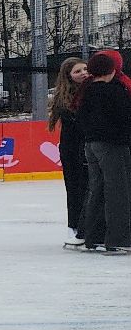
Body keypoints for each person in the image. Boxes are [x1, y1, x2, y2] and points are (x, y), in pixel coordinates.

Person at [73, 49, 131, 254]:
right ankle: (118, 238)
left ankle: (93, 236)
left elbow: (79, 119)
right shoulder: (114, 91)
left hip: (91, 144)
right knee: (118, 191)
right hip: (112, 145)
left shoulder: (86, 92)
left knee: (97, 189)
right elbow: (125, 119)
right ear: (112, 71)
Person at [50, 57, 92, 243]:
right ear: (68, 76)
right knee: (75, 189)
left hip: (86, 147)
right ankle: (73, 227)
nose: (83, 73)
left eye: (85, 69)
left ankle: (88, 226)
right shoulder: (64, 97)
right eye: (77, 71)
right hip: (72, 150)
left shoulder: (91, 90)